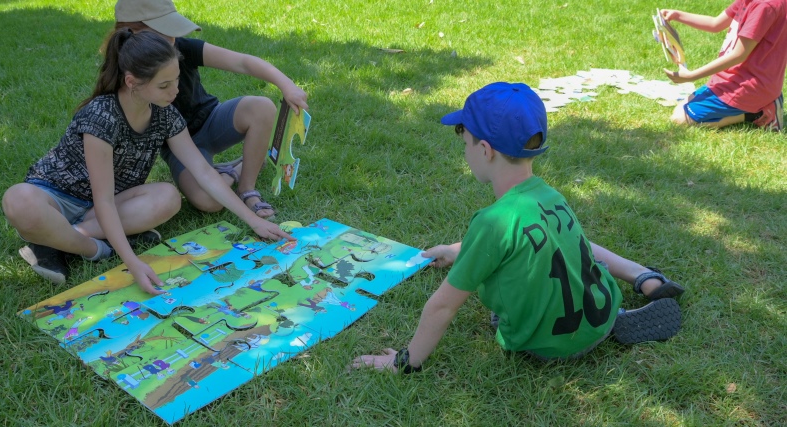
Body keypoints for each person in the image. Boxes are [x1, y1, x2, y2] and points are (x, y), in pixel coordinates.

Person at [351, 83, 684, 372]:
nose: (465, 152)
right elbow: (507, 241)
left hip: (544, 346)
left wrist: (405, 362)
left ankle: (577, 324)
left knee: (501, 315)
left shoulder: (492, 221)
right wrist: (457, 251)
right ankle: (629, 296)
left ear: (485, 150)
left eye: (465, 143)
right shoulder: (551, 196)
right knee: (563, 241)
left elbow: (443, 305)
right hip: (604, 311)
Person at [2, 30, 292, 293]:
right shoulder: (101, 117)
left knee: (168, 196)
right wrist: (132, 261)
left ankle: (57, 241)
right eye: (164, 85)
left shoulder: (165, 114)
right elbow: (102, 201)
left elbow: (203, 171)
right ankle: (96, 249)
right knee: (19, 200)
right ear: (133, 83)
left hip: (109, 203)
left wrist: (253, 220)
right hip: (60, 196)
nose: (175, 91)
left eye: (176, 79)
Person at [114, 0, 310, 219]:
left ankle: (247, 189)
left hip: (212, 121)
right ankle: (235, 169)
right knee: (208, 201)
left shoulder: (181, 46)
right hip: (179, 148)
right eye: (165, 32)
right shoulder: (123, 74)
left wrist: (286, 85)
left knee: (261, 107)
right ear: (134, 31)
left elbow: (242, 62)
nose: (172, 40)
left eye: (173, 32)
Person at [662, 2, 787, 131]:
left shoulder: (765, 6)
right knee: (682, 107)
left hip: (748, 87)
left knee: (679, 120)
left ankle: (757, 113)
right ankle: (760, 106)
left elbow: (739, 55)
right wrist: (677, 15)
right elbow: (715, 24)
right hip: (731, 80)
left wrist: (691, 76)